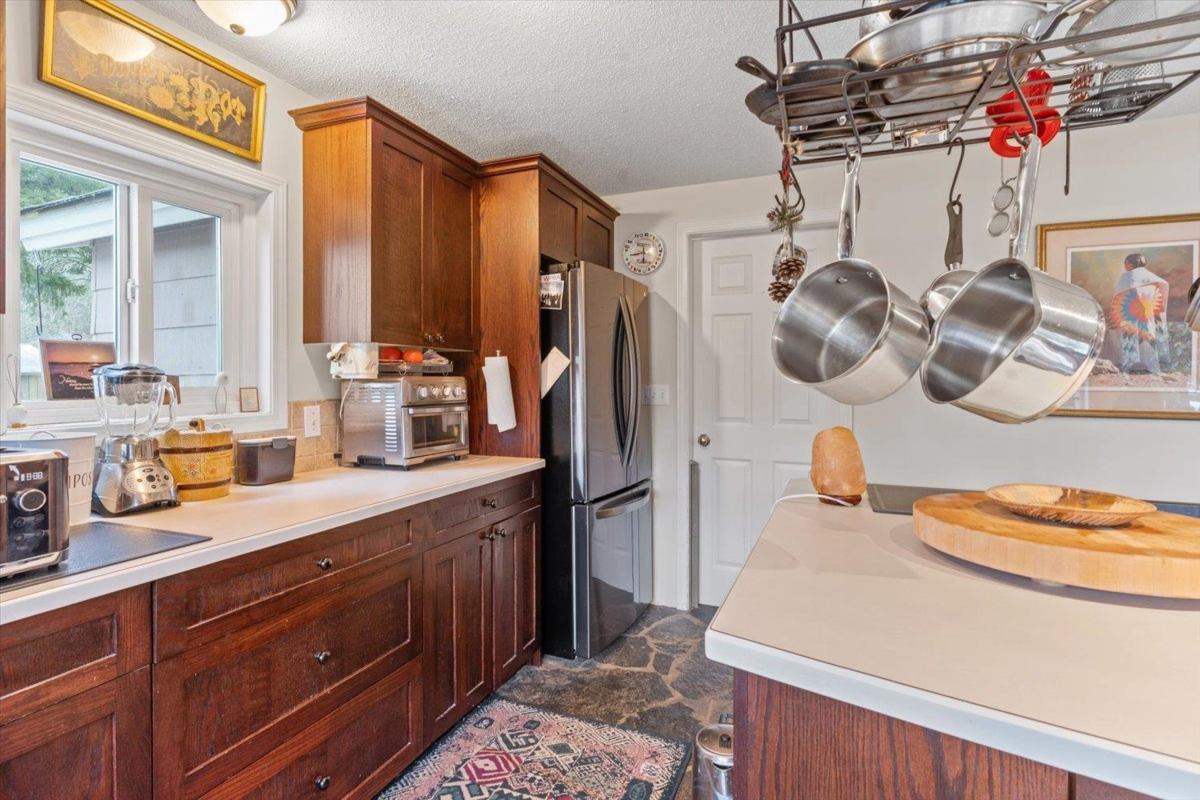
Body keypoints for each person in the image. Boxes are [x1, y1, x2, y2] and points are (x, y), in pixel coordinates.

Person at [1110, 253, 1171, 374]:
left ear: (1130, 263)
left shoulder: (1126, 276)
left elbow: (1118, 296)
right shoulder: (1149, 275)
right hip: (1148, 309)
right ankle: (1151, 363)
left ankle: (1131, 364)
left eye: (1126, 262)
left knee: (1130, 333)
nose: (1125, 265)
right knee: (1148, 331)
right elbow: (1163, 286)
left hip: (1130, 309)